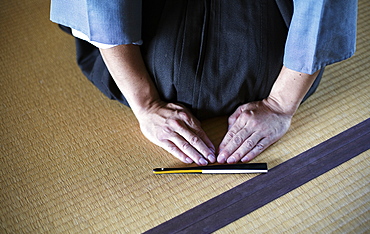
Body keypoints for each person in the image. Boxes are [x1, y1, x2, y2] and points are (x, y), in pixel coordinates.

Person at [50, 0, 357, 166]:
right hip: (157, 52)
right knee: (169, 70)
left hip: (272, 60)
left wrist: (281, 104)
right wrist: (145, 104)